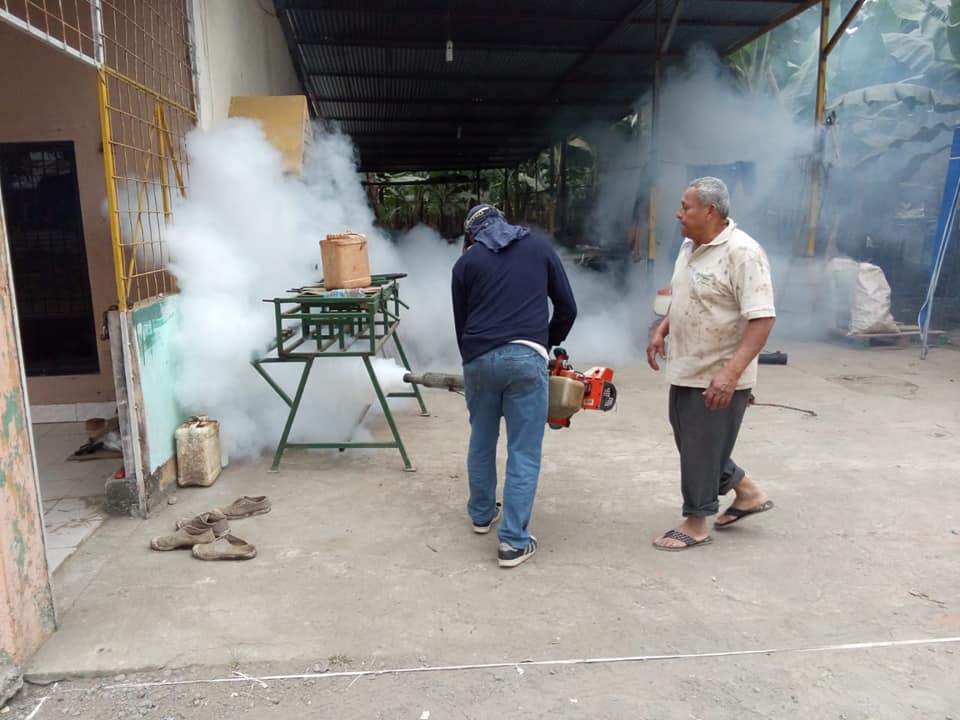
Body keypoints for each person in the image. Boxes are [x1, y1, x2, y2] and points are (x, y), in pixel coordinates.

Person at [646, 177, 776, 551]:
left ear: (710, 211)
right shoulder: (690, 247)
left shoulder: (743, 253)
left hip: (717, 371)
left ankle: (696, 521)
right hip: (688, 365)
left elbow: (762, 319)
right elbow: (684, 294)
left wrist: (731, 374)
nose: (678, 213)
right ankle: (747, 492)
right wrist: (662, 329)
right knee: (692, 441)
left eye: (685, 206)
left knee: (699, 447)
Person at [452, 204, 577, 567]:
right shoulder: (538, 247)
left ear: (471, 234)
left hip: (478, 360)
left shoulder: (465, 264)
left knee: (481, 439)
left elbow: (462, 326)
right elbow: (567, 308)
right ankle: (512, 542)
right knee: (523, 450)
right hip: (526, 358)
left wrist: (475, 364)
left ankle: (481, 515)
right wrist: (543, 344)